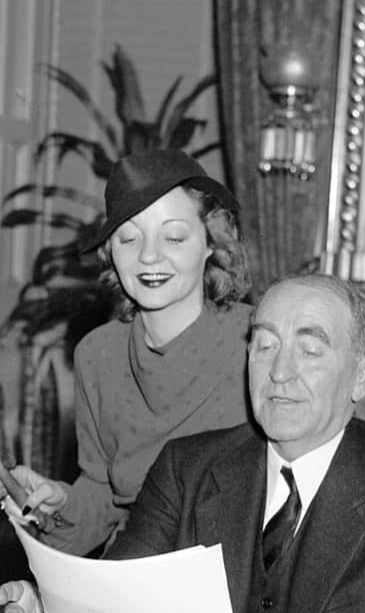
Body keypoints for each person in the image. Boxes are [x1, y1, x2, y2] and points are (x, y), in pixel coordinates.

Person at [2, 274, 365, 613]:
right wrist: (43, 606)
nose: (280, 372)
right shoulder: (187, 468)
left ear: (363, 376)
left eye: (309, 350)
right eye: (265, 346)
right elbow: (116, 597)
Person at [0, 149, 253, 556]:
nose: (149, 256)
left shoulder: (258, 341)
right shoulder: (97, 355)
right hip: (129, 571)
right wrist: (61, 502)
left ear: (210, 243)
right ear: (110, 253)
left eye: (173, 236)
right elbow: (103, 497)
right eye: (129, 238)